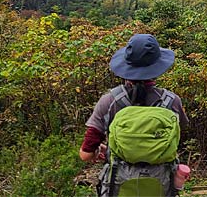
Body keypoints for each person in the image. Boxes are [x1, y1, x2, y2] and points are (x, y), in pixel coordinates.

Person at [80, 33, 189, 163]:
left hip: (120, 180)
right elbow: (177, 136)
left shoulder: (109, 101)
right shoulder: (172, 101)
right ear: (158, 67)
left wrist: (108, 149)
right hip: (163, 180)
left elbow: (86, 155)